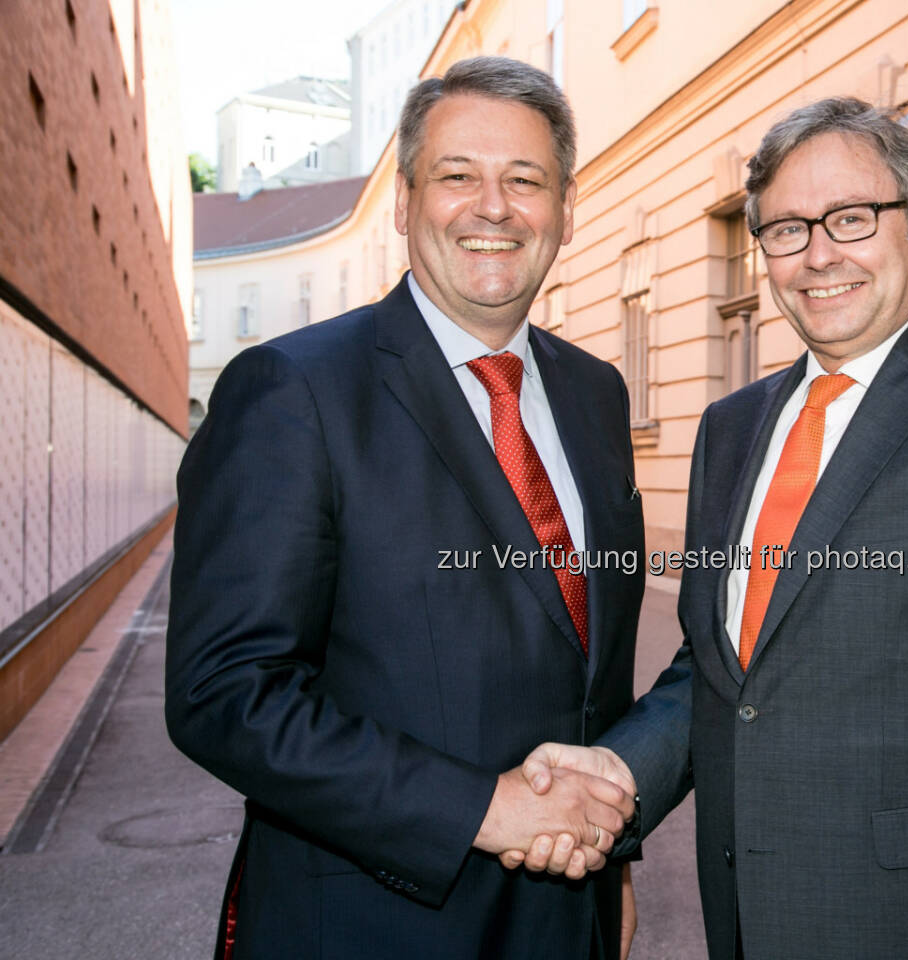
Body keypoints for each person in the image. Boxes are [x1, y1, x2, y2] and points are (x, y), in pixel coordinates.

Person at [516, 97, 908, 959]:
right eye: (785, 229)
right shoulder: (730, 429)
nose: (818, 255)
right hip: (747, 920)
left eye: (852, 219)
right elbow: (725, 667)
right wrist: (621, 770)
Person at [166, 57, 645, 960]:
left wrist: (619, 859)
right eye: (458, 175)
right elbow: (225, 693)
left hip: (566, 916)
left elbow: (595, 672)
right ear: (404, 201)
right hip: (375, 920)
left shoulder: (597, 395)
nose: (492, 207)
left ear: (566, 210)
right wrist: (480, 809)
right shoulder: (292, 391)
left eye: (526, 180)